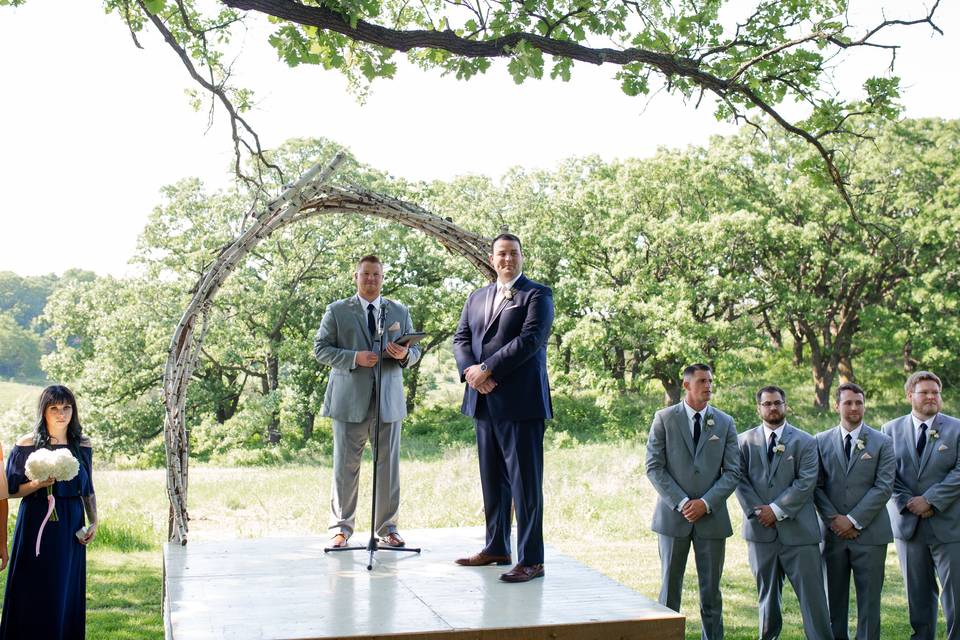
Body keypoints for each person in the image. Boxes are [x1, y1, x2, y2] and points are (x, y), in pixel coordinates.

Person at [452, 233, 553, 583]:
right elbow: (460, 339)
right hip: (483, 401)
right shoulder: (476, 297)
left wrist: (488, 369)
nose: (507, 259)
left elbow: (530, 340)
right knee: (492, 481)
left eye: (513, 253)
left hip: (521, 402)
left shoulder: (537, 294)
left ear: (522, 256)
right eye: (501, 254)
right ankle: (496, 546)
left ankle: (532, 559)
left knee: (526, 485)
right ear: (492, 258)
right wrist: (472, 374)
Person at [313, 254, 421, 548]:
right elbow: (320, 349)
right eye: (366, 274)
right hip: (349, 400)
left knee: (388, 467)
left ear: (382, 278)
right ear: (356, 277)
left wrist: (405, 356)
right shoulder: (337, 311)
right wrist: (354, 358)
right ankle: (341, 528)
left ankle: (388, 528)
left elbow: (415, 351)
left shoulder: (399, 310)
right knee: (346, 466)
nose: (371, 279)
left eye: (376, 275)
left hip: (388, 400)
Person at [645, 363, 739, 640]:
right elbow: (653, 467)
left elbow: (733, 471)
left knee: (711, 592)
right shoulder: (664, 419)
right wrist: (683, 502)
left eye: (710, 381)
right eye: (702, 381)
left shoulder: (725, 422)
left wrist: (706, 503)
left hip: (712, 520)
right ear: (686, 385)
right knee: (669, 591)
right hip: (674, 519)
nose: (708, 386)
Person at [0, 384, 97, 640]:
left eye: (66, 407)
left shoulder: (82, 445)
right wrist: (37, 484)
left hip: (70, 523)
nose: (61, 413)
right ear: (44, 411)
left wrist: (94, 522)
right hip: (35, 520)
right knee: (32, 585)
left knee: (62, 587)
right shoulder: (26, 444)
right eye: (54, 408)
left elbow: (88, 489)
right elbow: (10, 490)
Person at [735, 386, 831, 640]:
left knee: (813, 597)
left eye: (777, 403)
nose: (773, 408)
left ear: (785, 405)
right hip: (761, 532)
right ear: (758, 408)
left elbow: (806, 482)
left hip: (800, 533)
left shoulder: (806, 441)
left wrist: (776, 511)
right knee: (766, 596)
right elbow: (739, 480)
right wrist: (759, 513)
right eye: (767, 404)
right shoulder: (743, 441)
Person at [883, 371, 960, 640]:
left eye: (935, 392)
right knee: (917, 594)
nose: (931, 397)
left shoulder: (957, 428)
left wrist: (931, 500)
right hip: (909, 526)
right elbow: (886, 475)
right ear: (909, 396)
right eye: (924, 392)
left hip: (949, 525)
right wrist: (909, 502)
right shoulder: (889, 430)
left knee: (956, 595)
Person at [814, 382, 894, 640]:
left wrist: (853, 520)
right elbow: (816, 486)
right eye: (848, 402)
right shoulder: (819, 441)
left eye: (859, 402)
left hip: (870, 535)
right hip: (833, 534)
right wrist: (835, 520)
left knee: (870, 602)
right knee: (833, 600)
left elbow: (883, 487)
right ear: (836, 406)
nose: (854, 407)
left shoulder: (882, 442)